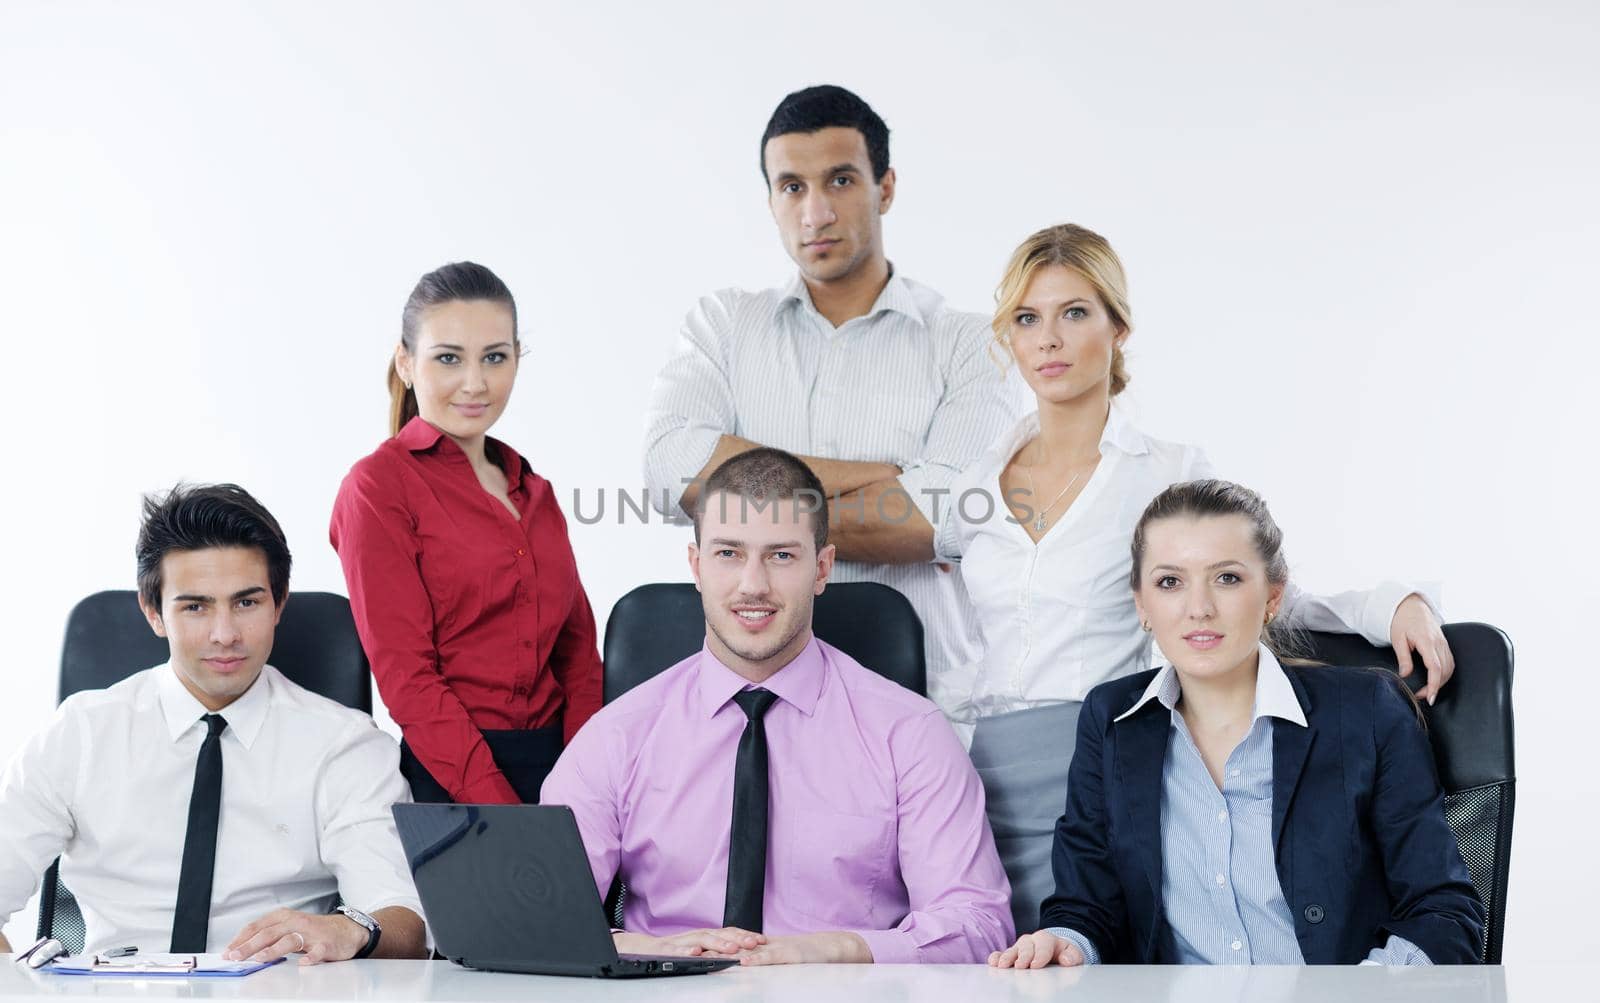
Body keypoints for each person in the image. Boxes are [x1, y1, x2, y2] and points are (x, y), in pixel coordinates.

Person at [938, 224, 1457, 932]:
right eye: (1027, 318)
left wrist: (1390, 602)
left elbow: (1249, 586)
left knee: (1091, 951)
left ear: (1118, 327)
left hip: (1095, 753)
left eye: (1074, 313)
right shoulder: (976, 485)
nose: (1048, 339)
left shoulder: (1165, 469)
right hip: (979, 769)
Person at [542, 448, 1013, 965]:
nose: (753, 585)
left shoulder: (910, 733)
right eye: (728, 554)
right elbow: (531, 916)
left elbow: (978, 924)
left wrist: (841, 950)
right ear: (697, 566)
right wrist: (646, 950)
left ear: (822, 568)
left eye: (781, 555)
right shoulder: (616, 736)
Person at [989, 479, 1484, 967]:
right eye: (1169, 582)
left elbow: (1442, 911)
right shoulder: (1111, 719)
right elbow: (1086, 904)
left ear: (1272, 597)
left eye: (1227, 578)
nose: (1199, 608)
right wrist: (1066, 941)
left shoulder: (1367, 711)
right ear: (1142, 604)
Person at [643, 84, 1020, 698]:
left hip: (921, 697)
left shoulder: (972, 343)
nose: (815, 213)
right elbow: (668, 468)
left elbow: (940, 512)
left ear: (886, 187)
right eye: (792, 187)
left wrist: (742, 511)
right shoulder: (722, 326)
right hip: (750, 699)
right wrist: (876, 475)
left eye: (840, 181)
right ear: (770, 199)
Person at [0, 484, 426, 962]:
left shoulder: (345, 745)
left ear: (279, 602)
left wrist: (352, 932)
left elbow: (403, 922)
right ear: (153, 612)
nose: (225, 635)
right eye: (195, 606)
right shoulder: (79, 734)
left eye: (247, 603)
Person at [331, 261, 604, 805]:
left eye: (495, 358)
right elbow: (406, 676)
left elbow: (577, 657)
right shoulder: (378, 487)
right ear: (406, 362)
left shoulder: (537, 491)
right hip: (452, 778)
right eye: (449, 358)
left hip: (566, 771)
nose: (475, 383)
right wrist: (502, 812)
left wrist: (585, 785)